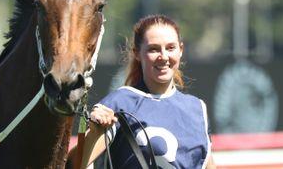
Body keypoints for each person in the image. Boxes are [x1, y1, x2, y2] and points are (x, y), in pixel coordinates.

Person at [69, 15, 216, 168]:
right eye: (153, 49)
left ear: (181, 50)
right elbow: (74, 165)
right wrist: (94, 133)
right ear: (137, 53)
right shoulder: (120, 103)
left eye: (170, 48)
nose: (164, 56)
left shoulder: (197, 108)